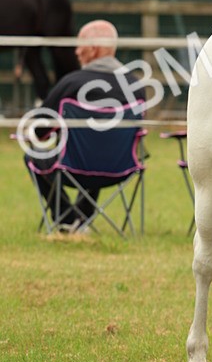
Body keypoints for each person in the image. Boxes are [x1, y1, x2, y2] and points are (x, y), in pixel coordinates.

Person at [25, 20, 143, 229]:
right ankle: (82, 218)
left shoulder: (71, 83)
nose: (76, 52)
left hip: (73, 167)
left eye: (79, 45)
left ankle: (66, 218)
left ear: (94, 48)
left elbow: (39, 131)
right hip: (122, 167)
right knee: (98, 146)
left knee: (34, 155)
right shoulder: (136, 86)